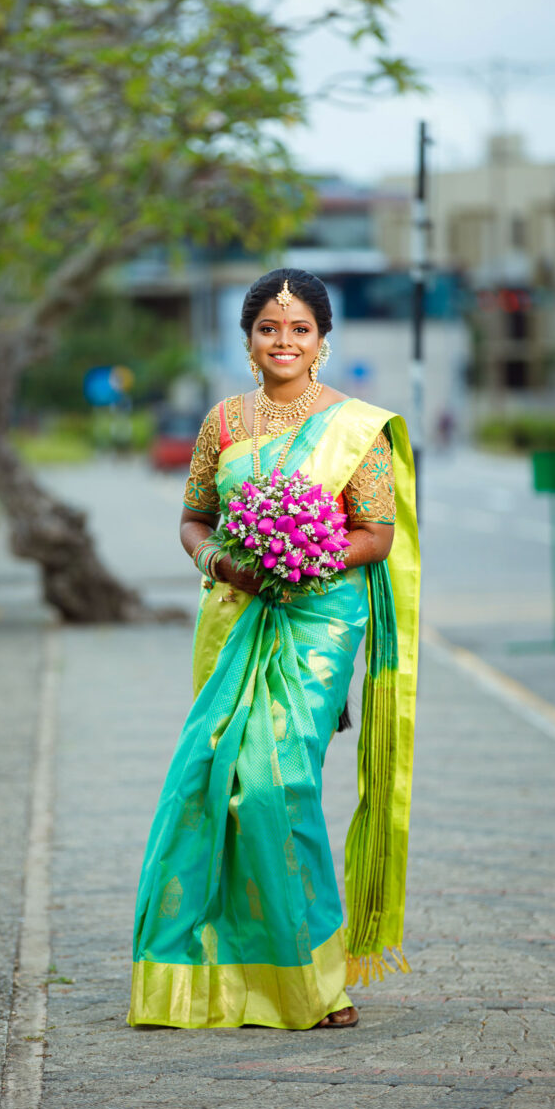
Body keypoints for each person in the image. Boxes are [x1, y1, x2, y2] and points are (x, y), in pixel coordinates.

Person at [128, 267, 420, 1031]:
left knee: (275, 783)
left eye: (299, 329)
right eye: (268, 327)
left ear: (323, 340)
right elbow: (195, 518)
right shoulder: (223, 424)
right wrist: (220, 562)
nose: (283, 341)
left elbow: (377, 534)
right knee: (207, 784)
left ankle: (314, 981)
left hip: (320, 620)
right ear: (248, 338)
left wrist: (308, 558)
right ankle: (205, 978)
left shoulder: (357, 427)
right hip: (234, 613)